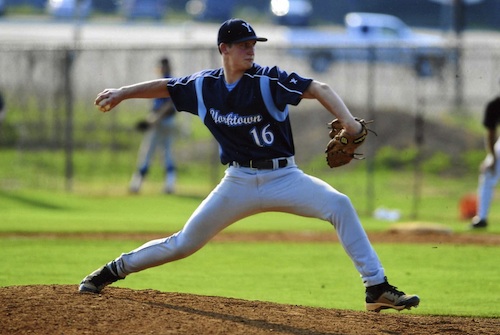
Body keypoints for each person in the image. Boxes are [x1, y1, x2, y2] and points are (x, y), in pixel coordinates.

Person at [80, 19, 420, 312]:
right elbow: (167, 87)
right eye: (243, 44)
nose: (251, 49)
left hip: (284, 176)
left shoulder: (267, 81)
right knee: (184, 243)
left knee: (339, 205)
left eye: (253, 44)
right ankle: (112, 269)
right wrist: (122, 92)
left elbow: (320, 87)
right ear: (223, 49)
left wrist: (349, 123)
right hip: (238, 180)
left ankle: (376, 287)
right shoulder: (204, 86)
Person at [129, 57, 177, 194]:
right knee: (166, 153)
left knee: (148, 153)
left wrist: (154, 119)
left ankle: (136, 184)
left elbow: (169, 105)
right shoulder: (169, 80)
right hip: (162, 120)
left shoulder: (166, 82)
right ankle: (169, 185)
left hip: (163, 121)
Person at [471, 84, 500, 229]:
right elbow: (491, 133)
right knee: (488, 172)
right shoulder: (495, 105)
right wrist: (492, 158)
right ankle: (481, 219)